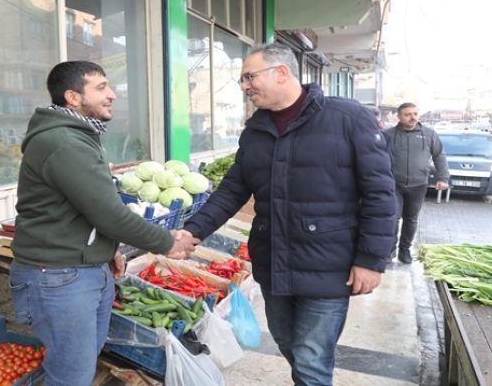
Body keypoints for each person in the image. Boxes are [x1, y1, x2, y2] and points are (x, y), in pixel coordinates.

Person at [178, 43, 397, 386]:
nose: (245, 86)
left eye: (250, 76)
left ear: (281, 72)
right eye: (242, 79)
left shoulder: (348, 118)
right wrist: (192, 231)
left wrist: (371, 259)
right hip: (274, 261)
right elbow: (233, 190)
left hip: (330, 264)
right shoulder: (256, 130)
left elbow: (380, 193)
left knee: (311, 359)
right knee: (287, 343)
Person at [10, 60, 199, 386]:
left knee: (81, 364)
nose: (112, 95)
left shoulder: (78, 135)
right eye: (101, 88)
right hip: (58, 275)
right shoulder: (65, 142)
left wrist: (103, 247)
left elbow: (83, 206)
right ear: (72, 97)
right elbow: (108, 213)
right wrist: (169, 242)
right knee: (71, 375)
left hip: (79, 270)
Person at [384, 102, 449, 264]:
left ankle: (405, 250)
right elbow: (378, 158)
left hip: (418, 184)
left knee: (411, 219)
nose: (412, 117)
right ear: (398, 117)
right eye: (407, 114)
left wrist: (443, 178)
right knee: (392, 218)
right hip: (394, 185)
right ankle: (389, 252)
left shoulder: (429, 134)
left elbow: (439, 156)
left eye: (415, 113)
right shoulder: (388, 135)